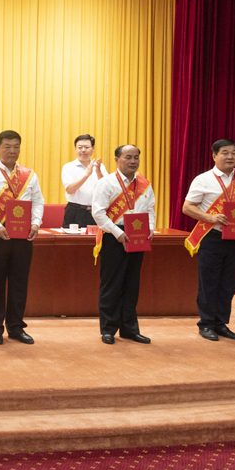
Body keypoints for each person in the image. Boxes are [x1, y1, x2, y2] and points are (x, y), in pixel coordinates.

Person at [182, 139, 235, 342]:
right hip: (212, 237)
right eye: (225, 153)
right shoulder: (203, 179)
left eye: (234, 153)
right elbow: (187, 207)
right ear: (214, 156)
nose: (230, 157)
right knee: (209, 282)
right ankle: (206, 324)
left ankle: (221, 323)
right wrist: (210, 217)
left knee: (228, 282)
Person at [0, 130, 44, 345]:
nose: (12, 151)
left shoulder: (29, 175)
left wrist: (36, 223)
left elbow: (38, 202)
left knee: (19, 282)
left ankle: (16, 327)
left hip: (23, 235)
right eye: (7, 146)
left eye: (16, 147)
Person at [91, 145, 155, 345]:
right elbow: (98, 213)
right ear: (117, 159)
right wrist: (118, 233)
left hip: (138, 235)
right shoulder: (106, 183)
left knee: (132, 284)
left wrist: (151, 228)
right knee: (112, 285)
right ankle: (108, 329)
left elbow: (150, 209)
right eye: (128, 157)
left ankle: (129, 329)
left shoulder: (144, 184)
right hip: (114, 236)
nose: (133, 161)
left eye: (136, 157)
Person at [61, 134, 107, 228]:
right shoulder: (68, 167)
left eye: (86, 147)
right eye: (80, 147)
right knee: (72, 237)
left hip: (96, 211)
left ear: (93, 148)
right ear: (75, 149)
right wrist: (87, 174)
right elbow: (70, 189)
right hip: (75, 211)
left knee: (96, 237)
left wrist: (98, 173)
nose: (83, 150)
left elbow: (107, 188)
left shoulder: (100, 167)